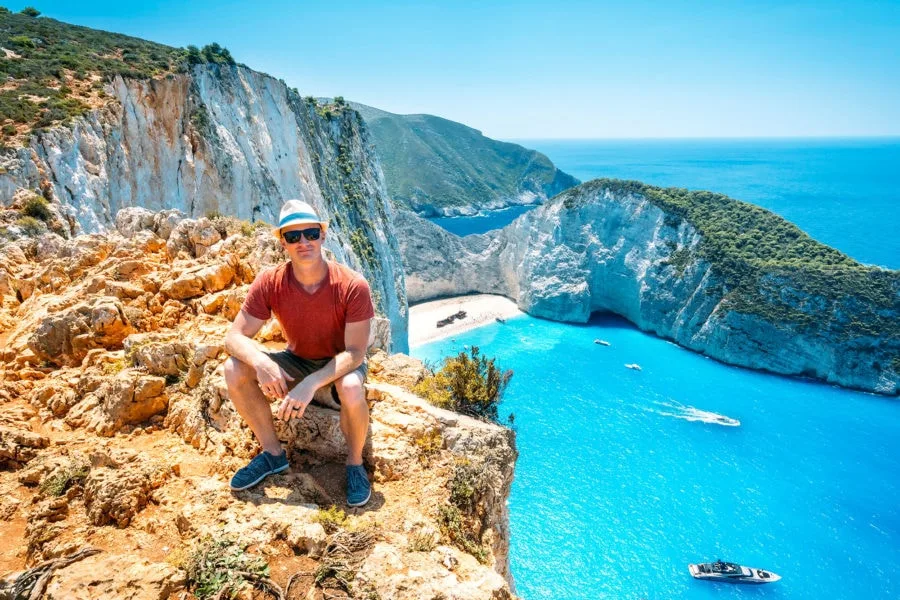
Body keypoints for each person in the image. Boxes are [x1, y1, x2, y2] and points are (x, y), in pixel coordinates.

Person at [223, 199, 374, 507]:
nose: (303, 242)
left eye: (310, 233)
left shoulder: (352, 285)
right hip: (298, 358)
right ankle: (273, 454)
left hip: (339, 363)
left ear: (322, 235)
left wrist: (311, 384)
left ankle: (355, 464)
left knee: (351, 386)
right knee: (233, 369)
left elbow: (356, 353)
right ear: (283, 242)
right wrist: (261, 362)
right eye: (293, 236)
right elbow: (234, 336)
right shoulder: (270, 281)